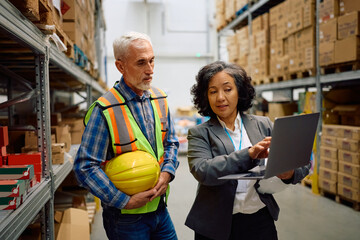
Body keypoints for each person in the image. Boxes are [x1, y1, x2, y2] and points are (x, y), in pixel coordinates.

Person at [185, 61, 310, 240]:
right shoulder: (200, 133)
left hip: (259, 221)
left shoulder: (263, 125)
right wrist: (249, 154)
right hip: (215, 225)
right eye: (213, 91)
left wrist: (289, 173)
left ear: (240, 92)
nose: (220, 97)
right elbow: (203, 170)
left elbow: (301, 161)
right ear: (205, 96)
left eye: (227, 89)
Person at [73, 32, 179, 240]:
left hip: (159, 209)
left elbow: (171, 143)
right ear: (120, 67)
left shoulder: (159, 99)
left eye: (151, 61)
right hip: (125, 219)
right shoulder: (105, 109)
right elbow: (84, 167)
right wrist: (124, 201)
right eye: (141, 63)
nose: (150, 70)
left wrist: (167, 173)